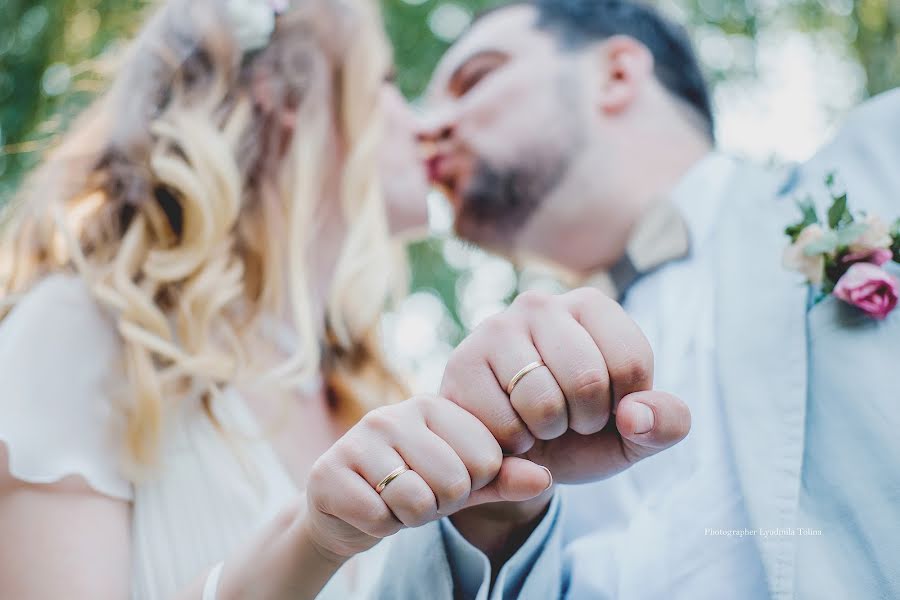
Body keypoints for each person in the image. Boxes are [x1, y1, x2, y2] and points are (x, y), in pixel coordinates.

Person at [0, 0, 693, 598]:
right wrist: (312, 540)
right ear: (283, 93)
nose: (424, 124)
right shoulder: (83, 329)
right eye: (387, 83)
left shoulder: (372, 387)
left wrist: (496, 516)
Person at [383, 0, 900, 598]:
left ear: (618, 73)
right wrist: (492, 523)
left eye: (475, 79)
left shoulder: (882, 161)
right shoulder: (508, 408)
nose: (425, 129)